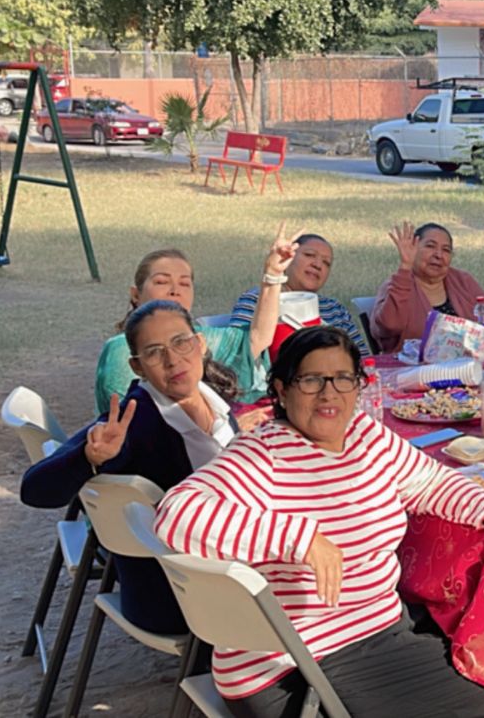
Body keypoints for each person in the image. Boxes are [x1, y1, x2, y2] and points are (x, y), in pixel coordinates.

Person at [153, 325, 484, 717]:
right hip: (295, 669)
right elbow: (176, 512)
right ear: (280, 389)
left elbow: (431, 482)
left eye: (343, 378)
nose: (329, 393)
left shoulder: (364, 434)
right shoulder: (261, 455)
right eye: (311, 379)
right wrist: (300, 538)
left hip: (368, 630)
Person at [23, 299, 245, 634]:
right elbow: (35, 489)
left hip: (225, 558)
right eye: (155, 352)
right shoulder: (135, 420)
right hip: (180, 595)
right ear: (137, 366)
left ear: (200, 344)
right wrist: (89, 457)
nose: (173, 360)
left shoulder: (211, 396)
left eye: (181, 342)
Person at [94, 226, 298, 413]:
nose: (174, 291)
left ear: (199, 344)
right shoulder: (121, 350)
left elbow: (256, 338)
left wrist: (272, 274)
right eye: (161, 282)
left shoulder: (201, 335)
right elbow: (132, 425)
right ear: (135, 295)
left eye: (184, 284)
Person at [370, 222, 484, 353]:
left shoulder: (463, 281)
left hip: (468, 366)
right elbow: (389, 326)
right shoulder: (397, 284)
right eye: (430, 246)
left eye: (446, 250)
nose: (438, 255)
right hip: (414, 369)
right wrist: (406, 266)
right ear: (413, 249)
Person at [229, 233, 371, 356]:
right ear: (288, 258)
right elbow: (237, 356)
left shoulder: (334, 309)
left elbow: (362, 359)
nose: (318, 265)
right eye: (309, 255)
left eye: (326, 263)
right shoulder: (258, 299)